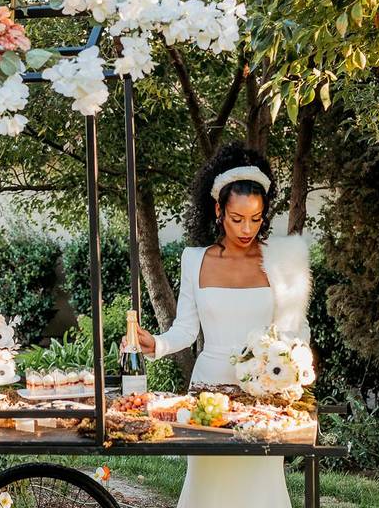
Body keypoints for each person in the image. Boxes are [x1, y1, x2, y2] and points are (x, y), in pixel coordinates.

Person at [124, 142, 312, 508]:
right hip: (208, 390)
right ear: (218, 210)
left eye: (256, 218)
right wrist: (156, 344)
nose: (247, 228)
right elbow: (186, 329)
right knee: (209, 488)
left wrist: (292, 372)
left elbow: (294, 333)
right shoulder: (194, 259)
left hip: (262, 396)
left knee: (260, 489)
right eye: (237, 218)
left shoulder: (282, 261)